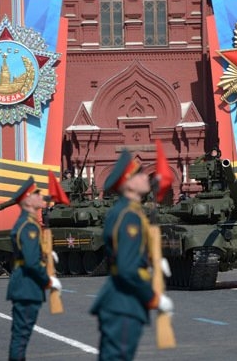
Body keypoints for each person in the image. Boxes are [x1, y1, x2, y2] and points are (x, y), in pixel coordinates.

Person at [90, 149, 174, 361]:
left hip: (120, 300)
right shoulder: (129, 216)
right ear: (128, 183)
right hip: (125, 303)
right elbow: (127, 268)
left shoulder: (128, 212)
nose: (145, 176)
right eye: (138, 174)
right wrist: (153, 297)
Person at [7, 176, 62, 361]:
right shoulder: (28, 226)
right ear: (28, 200)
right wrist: (47, 280)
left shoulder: (28, 223)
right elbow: (30, 262)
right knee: (21, 337)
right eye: (37, 193)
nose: (41, 197)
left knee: (21, 336)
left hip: (25, 285)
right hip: (27, 286)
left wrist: (45, 256)